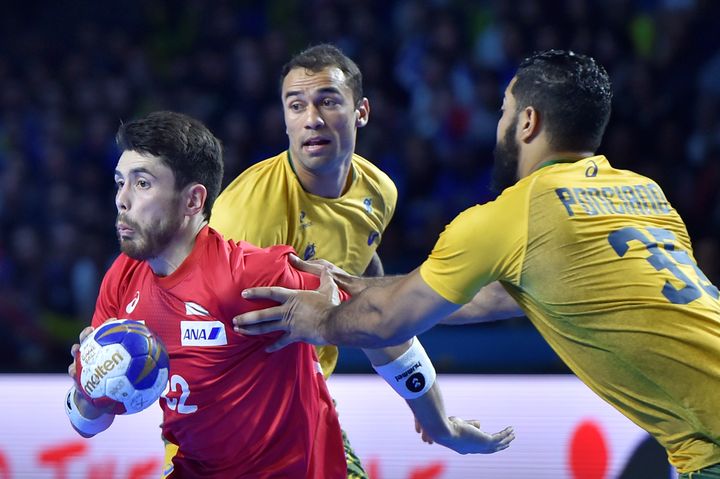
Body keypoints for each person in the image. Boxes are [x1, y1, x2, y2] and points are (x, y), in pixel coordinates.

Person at [233, 50, 720, 478]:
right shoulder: (643, 192)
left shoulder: (507, 214)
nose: (311, 118)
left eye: (504, 112)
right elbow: (495, 296)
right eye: (296, 105)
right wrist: (362, 290)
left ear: (527, 123)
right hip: (250, 416)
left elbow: (390, 319)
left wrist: (320, 318)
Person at [64, 111, 514, 478]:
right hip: (195, 468)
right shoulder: (122, 281)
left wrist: (442, 426)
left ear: (192, 200)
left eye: (142, 183)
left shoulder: (253, 274)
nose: (122, 199)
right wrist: (87, 391)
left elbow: (381, 323)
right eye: (120, 182)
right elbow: (90, 422)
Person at [206, 42, 394, 479]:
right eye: (297, 105)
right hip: (224, 417)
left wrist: (418, 394)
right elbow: (201, 319)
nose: (312, 118)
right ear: (285, 119)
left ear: (361, 111)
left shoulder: (379, 192)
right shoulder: (251, 211)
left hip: (305, 402)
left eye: (328, 101)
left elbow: (366, 281)